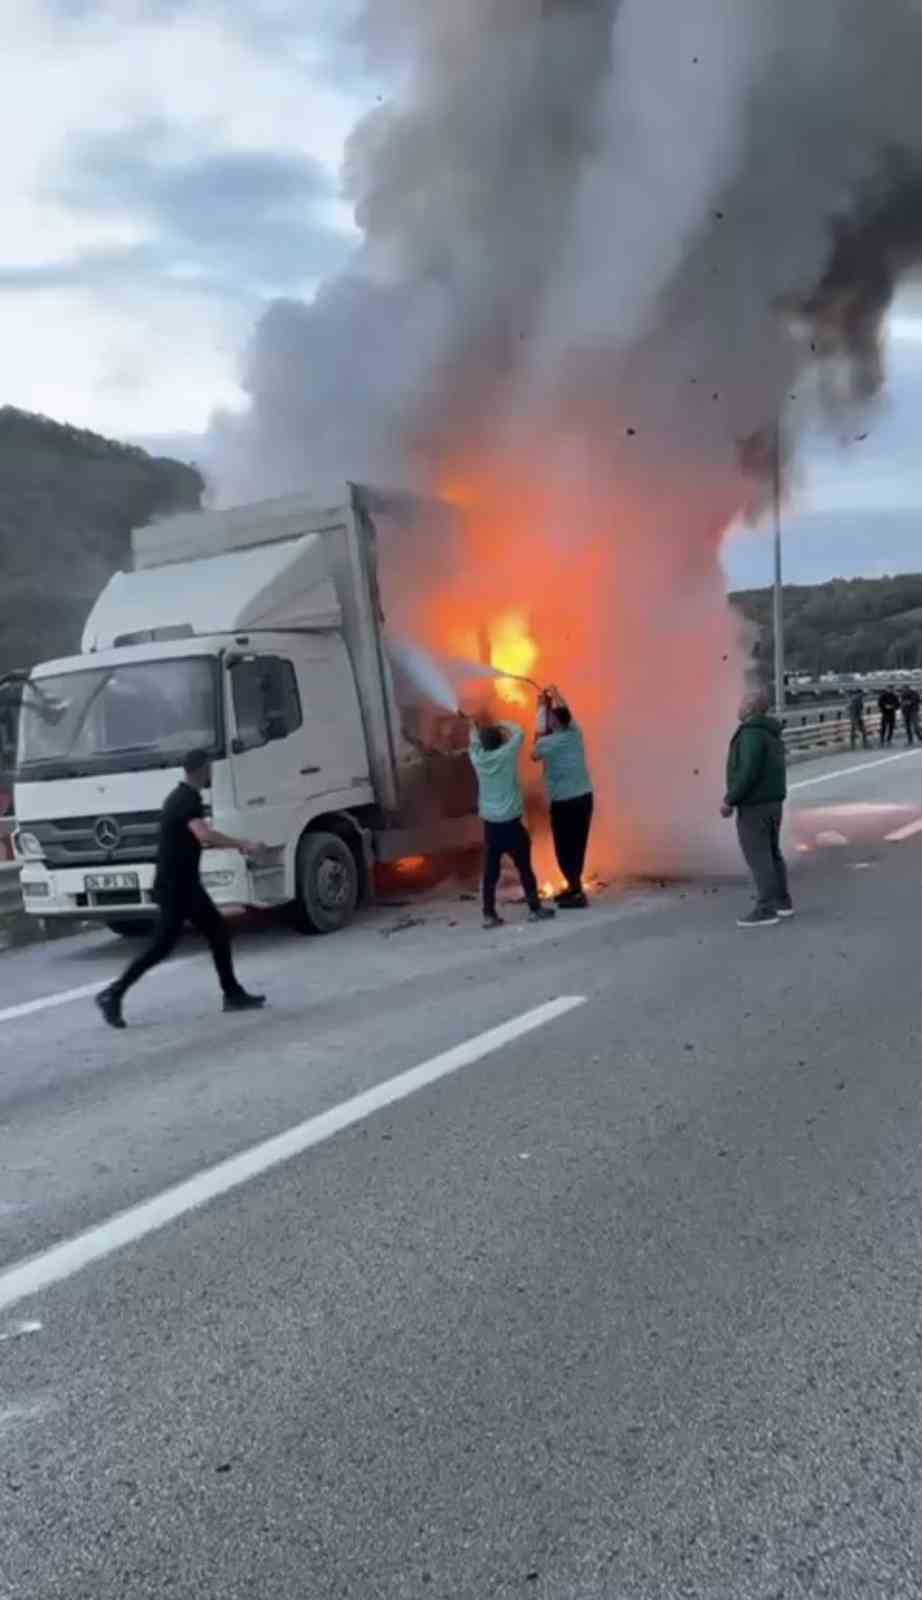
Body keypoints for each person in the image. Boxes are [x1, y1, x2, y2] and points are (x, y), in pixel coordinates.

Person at [96, 749, 267, 1029]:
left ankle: (233, 994)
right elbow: (204, 835)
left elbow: (198, 838)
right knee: (160, 947)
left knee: (217, 932)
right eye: (210, 768)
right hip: (177, 888)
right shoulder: (186, 800)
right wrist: (244, 845)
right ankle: (112, 994)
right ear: (202, 769)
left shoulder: (182, 797)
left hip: (185, 885)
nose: (212, 772)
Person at [468, 719, 555, 930]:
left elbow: (473, 742)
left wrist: (474, 728)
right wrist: (499, 723)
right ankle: (535, 909)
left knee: (490, 874)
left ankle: (489, 915)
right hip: (512, 826)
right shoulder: (506, 755)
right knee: (524, 868)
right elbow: (519, 732)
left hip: (491, 827)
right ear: (500, 741)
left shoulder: (477, 759)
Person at [721, 687, 792, 929]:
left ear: (751, 707)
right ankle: (783, 902)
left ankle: (766, 908)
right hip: (773, 803)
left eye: (742, 702)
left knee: (759, 857)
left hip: (754, 806)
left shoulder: (751, 733)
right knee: (773, 854)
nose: (738, 707)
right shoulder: (771, 733)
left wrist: (730, 799)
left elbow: (748, 772)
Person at [532, 686, 594, 908]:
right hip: (584, 798)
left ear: (555, 723)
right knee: (578, 845)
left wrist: (540, 709)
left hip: (564, 803)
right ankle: (573, 886)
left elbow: (534, 754)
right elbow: (567, 712)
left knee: (564, 848)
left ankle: (576, 893)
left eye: (551, 718)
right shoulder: (575, 732)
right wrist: (556, 694)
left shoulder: (547, 743)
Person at [847, 685, 868, 750]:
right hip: (855, 717)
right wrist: (854, 720)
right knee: (857, 730)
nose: (862, 695)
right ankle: (854, 743)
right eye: (861, 693)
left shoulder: (858, 699)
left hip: (857, 717)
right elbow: (851, 709)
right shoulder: (856, 699)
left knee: (856, 730)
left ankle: (856, 743)